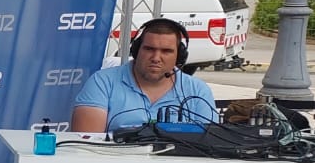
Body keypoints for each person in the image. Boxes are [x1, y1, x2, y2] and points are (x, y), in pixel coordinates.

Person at [71, 18, 217, 133]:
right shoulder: (102, 82)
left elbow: (210, 144)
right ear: (136, 50)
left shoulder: (198, 90)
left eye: (166, 51)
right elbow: (85, 144)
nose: (156, 57)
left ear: (180, 56)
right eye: (149, 49)